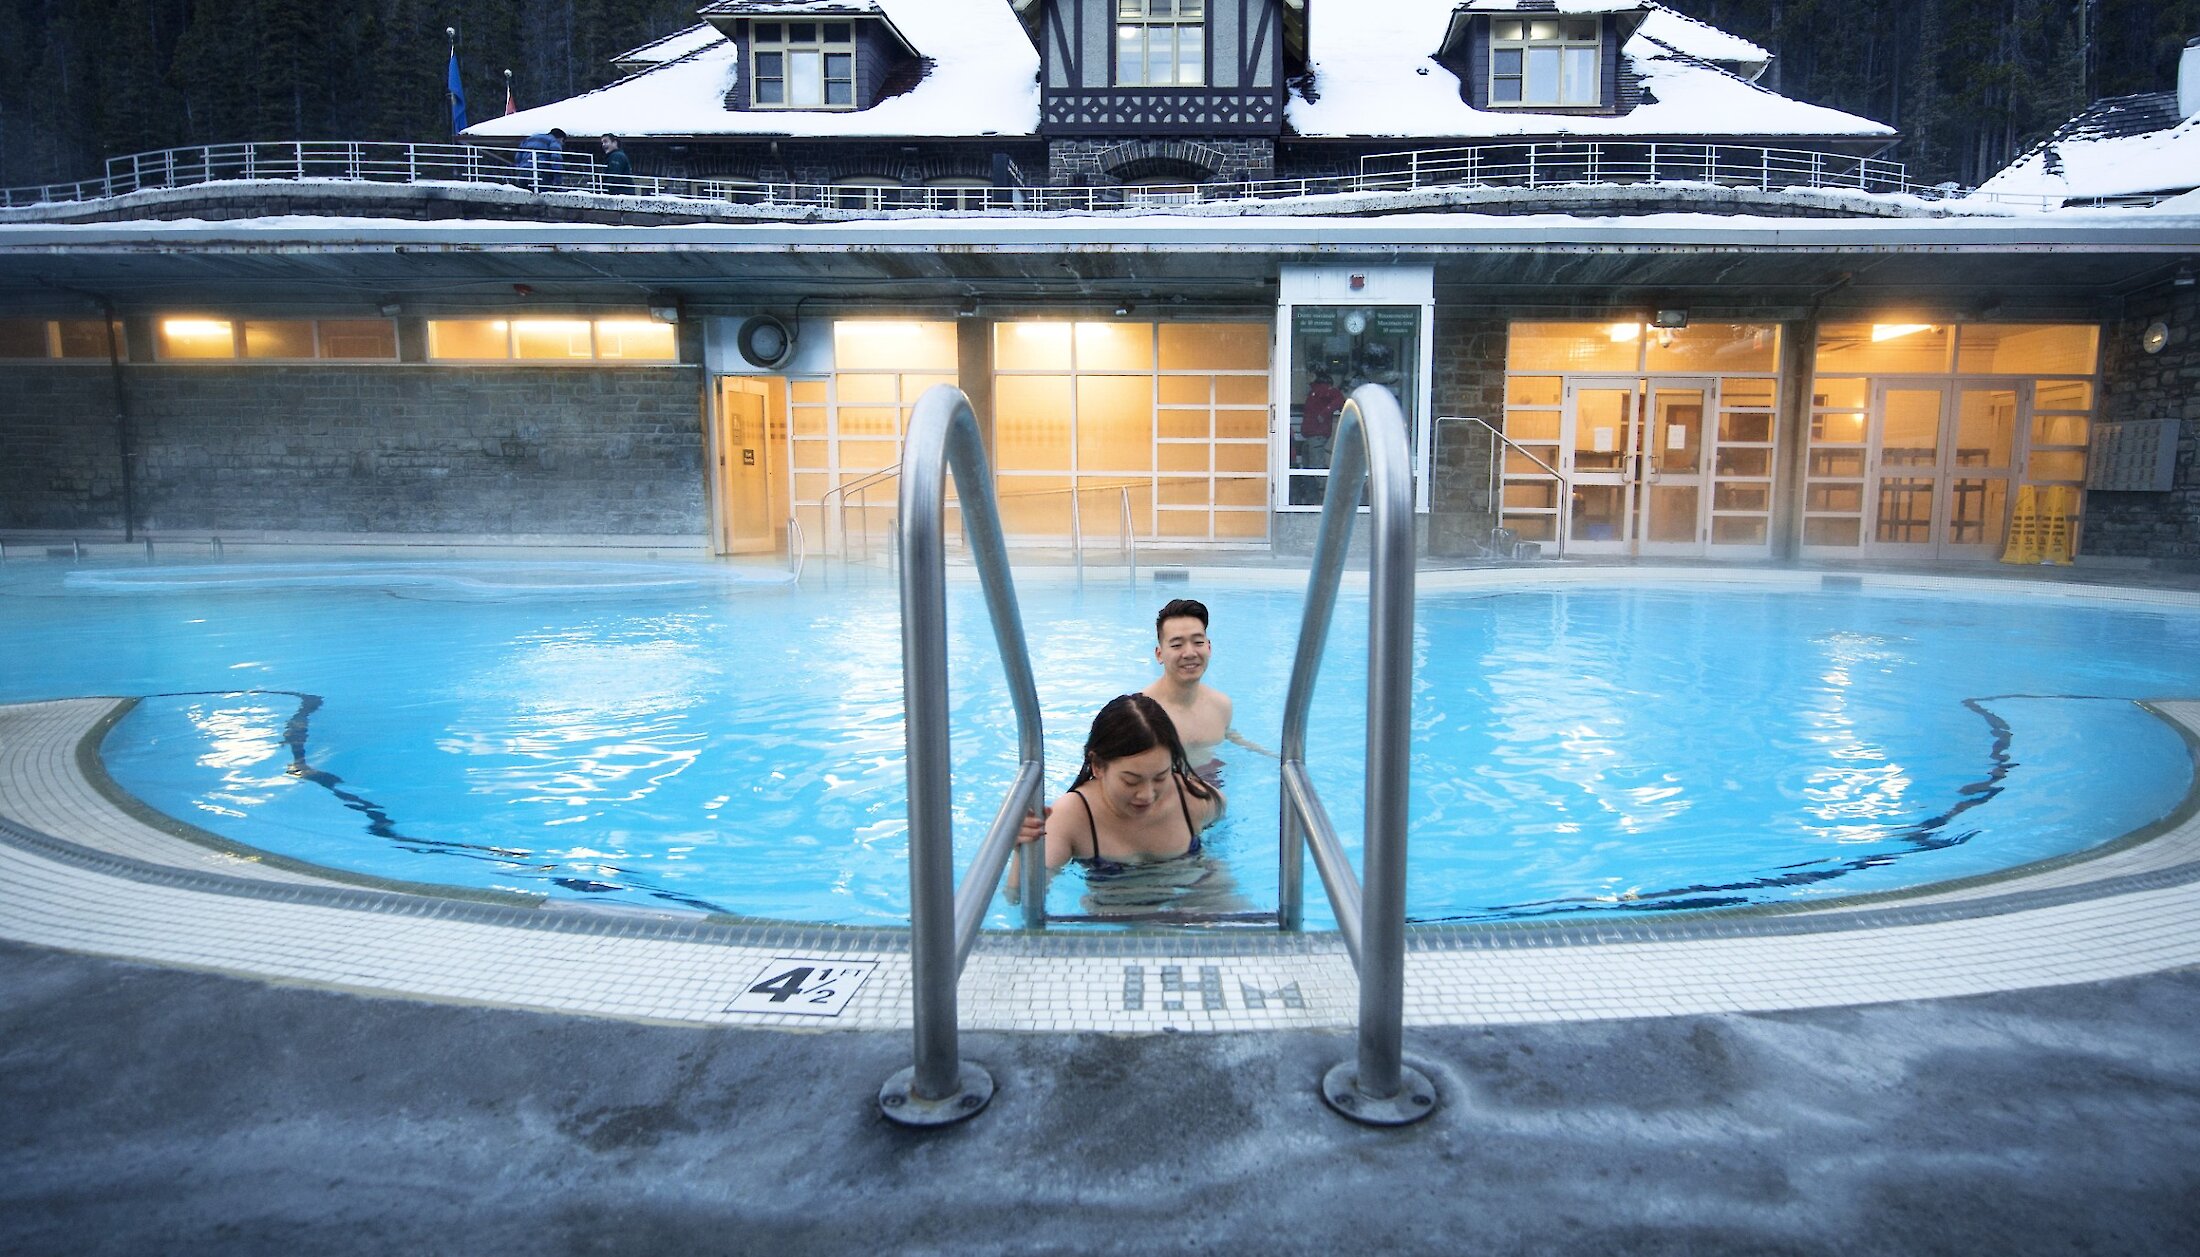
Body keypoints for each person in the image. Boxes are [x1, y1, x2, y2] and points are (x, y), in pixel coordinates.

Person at [1021, 693, 1224, 877]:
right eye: (1131, 781)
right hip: (1118, 906)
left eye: (1161, 777)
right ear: (1098, 766)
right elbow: (1019, 898)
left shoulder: (1190, 797)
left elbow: (1224, 818)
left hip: (1200, 887)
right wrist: (1022, 850)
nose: (1147, 795)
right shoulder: (1072, 816)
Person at [1139, 597, 1267, 782]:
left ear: (1209, 647)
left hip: (1210, 787)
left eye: (1198, 642)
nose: (1190, 653)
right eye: (1176, 645)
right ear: (1159, 654)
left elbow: (1230, 736)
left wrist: (1271, 759)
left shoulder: (1221, 705)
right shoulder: (1142, 712)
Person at [1300, 371, 1344, 469]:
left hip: (1317, 433)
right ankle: (1314, 483)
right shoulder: (1314, 391)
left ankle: (1323, 484)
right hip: (1311, 435)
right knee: (1309, 466)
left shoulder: (1323, 389)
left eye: (1311, 375)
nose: (1307, 377)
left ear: (1318, 377)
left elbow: (1339, 400)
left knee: (1316, 466)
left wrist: (1324, 413)